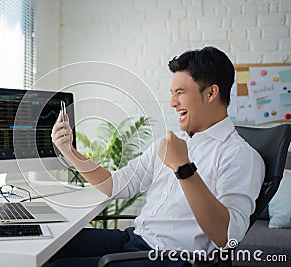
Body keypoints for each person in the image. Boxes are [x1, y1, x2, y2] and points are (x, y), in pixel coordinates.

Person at [48, 46, 265, 267]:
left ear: (210, 93)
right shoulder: (172, 143)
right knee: (51, 246)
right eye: (172, 94)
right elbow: (115, 185)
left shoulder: (240, 155)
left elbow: (227, 238)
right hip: (136, 240)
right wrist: (70, 151)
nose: (172, 103)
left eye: (180, 92)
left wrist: (183, 167)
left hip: (170, 259)